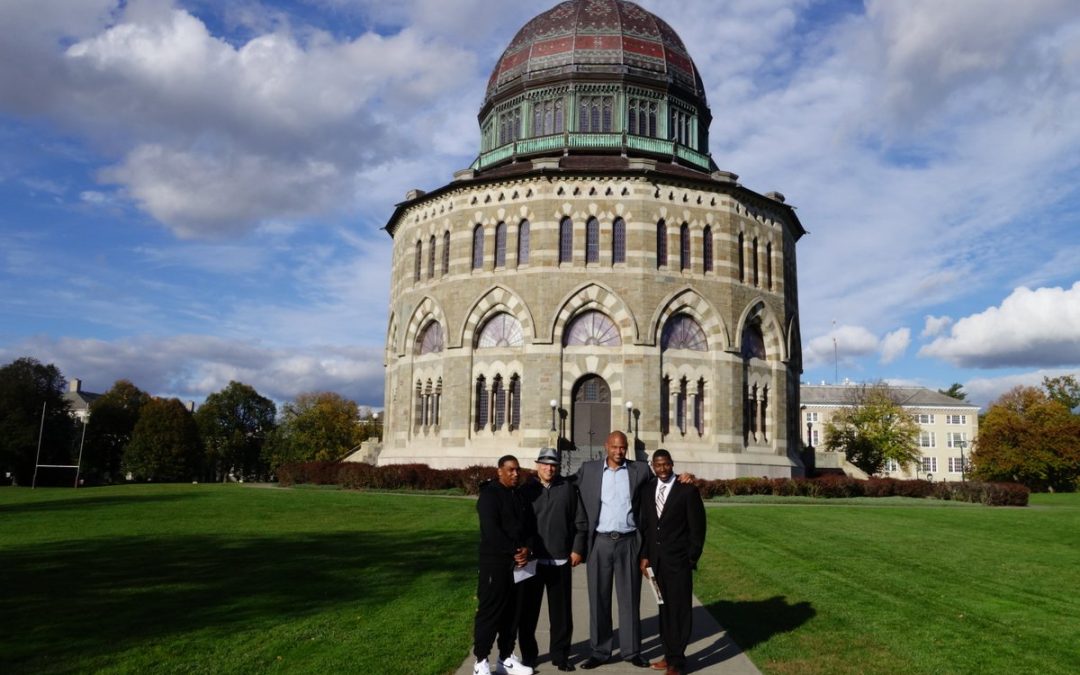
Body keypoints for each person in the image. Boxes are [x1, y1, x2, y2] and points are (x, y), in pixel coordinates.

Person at [573, 430, 653, 669]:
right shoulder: (589, 470)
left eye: (623, 447)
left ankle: (631, 651)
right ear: (606, 446)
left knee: (630, 598)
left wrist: (683, 478)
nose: (619, 452)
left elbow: (662, 481)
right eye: (615, 447)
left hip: (629, 542)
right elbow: (566, 484)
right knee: (599, 598)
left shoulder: (640, 470)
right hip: (600, 542)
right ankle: (600, 651)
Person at [517, 447, 588, 672]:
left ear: (558, 467)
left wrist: (577, 550)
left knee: (562, 615)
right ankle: (529, 655)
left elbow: (581, 522)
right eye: (545, 464)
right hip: (533, 561)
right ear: (537, 465)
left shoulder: (568, 488)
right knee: (528, 613)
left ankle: (561, 655)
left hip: (560, 561)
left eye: (553, 464)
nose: (549, 468)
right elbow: (517, 524)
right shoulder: (526, 490)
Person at [638, 450, 706, 675]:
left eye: (666, 464)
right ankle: (668, 656)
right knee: (664, 610)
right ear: (653, 466)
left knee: (680, 611)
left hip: (679, 563)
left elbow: (698, 529)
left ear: (672, 464)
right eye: (658, 465)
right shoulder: (648, 490)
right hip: (656, 564)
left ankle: (678, 662)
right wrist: (645, 556)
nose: (662, 469)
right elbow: (647, 527)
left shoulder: (687, 490)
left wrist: (690, 558)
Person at [473, 455, 535, 675]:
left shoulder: (519, 496)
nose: (515, 474)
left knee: (512, 614)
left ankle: (505, 658)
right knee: (490, 613)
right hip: (495, 564)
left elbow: (528, 527)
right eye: (510, 470)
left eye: (517, 470)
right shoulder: (489, 496)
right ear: (499, 471)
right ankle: (481, 661)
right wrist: (514, 551)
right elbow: (491, 531)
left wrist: (527, 549)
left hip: (518, 567)